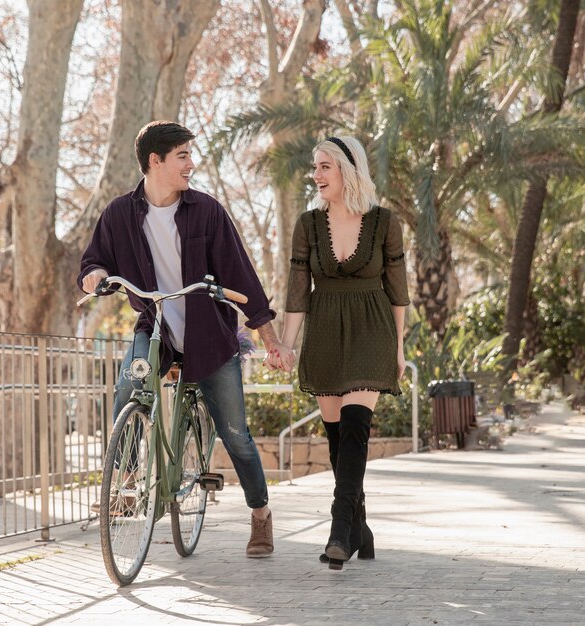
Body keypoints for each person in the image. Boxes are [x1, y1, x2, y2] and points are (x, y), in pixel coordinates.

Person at [78, 120, 293, 558]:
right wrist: (95, 277)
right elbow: (91, 263)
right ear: (155, 161)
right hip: (153, 329)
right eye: (183, 156)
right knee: (126, 391)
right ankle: (126, 483)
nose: (191, 164)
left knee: (237, 436)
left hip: (210, 337)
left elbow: (242, 278)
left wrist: (269, 339)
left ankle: (261, 515)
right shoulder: (120, 213)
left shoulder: (206, 210)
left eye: (190, 155)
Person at [269, 136, 409, 569]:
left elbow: (399, 293)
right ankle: (360, 529)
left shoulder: (385, 222)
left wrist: (400, 349)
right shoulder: (308, 224)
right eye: (315, 166)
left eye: (325, 166)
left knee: (355, 426)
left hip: (372, 329)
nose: (316, 174)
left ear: (349, 169)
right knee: (337, 440)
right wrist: (287, 345)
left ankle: (338, 530)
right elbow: (297, 293)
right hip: (325, 330)